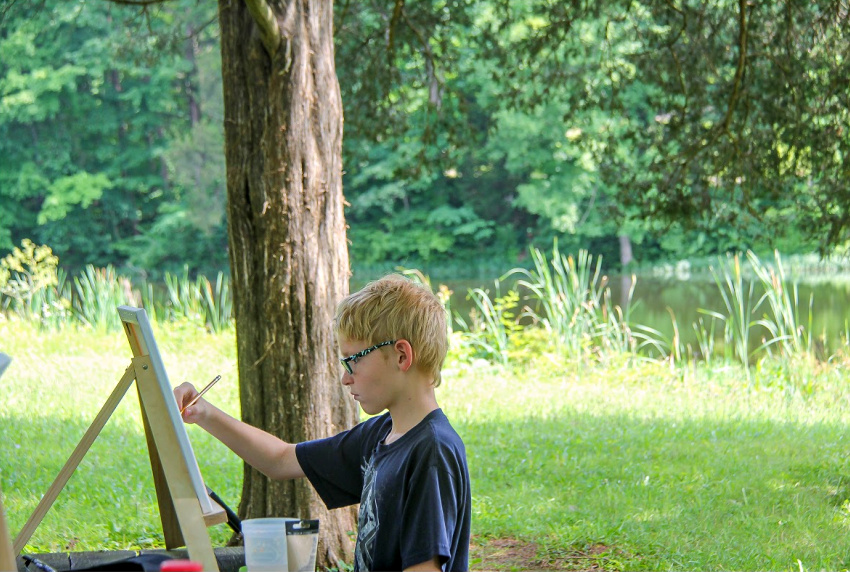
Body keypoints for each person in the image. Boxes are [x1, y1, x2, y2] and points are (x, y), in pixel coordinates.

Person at [174, 274, 471, 572]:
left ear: (401, 355)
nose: (346, 377)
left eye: (353, 360)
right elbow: (280, 459)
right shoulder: (381, 434)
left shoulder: (432, 452)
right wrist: (203, 412)